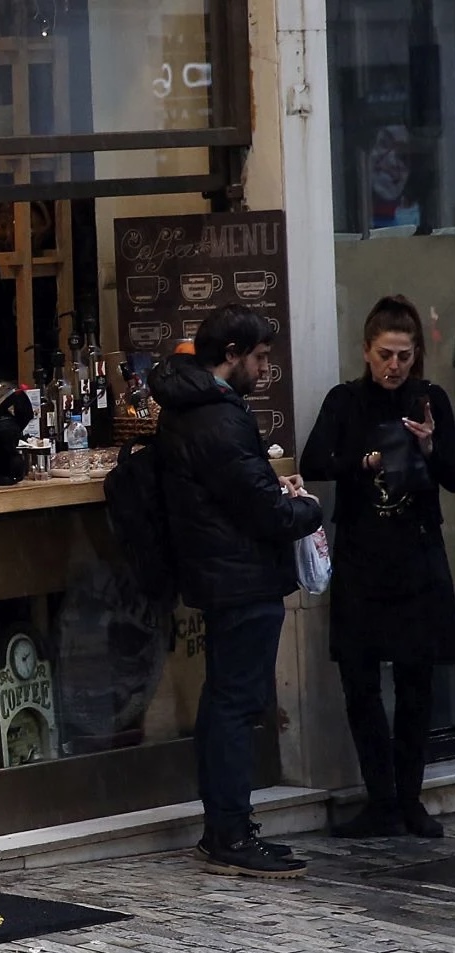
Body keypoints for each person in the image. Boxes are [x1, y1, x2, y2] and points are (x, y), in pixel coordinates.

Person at [149, 306, 323, 877]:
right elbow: (260, 510)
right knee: (235, 703)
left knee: (226, 699)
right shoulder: (218, 416)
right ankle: (229, 832)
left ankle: (226, 828)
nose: (265, 368)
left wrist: (270, 487)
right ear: (231, 354)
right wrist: (306, 509)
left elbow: (233, 489)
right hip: (241, 577)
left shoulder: (191, 406)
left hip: (222, 573)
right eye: (260, 357)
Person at [299, 295, 455, 839]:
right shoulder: (346, 401)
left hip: (417, 556)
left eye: (404, 356)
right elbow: (313, 461)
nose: (395, 366)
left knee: (416, 682)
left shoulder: (430, 399)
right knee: (360, 682)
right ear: (366, 351)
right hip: (364, 557)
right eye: (386, 355)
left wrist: (430, 447)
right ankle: (381, 799)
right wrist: (359, 462)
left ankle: (410, 798)